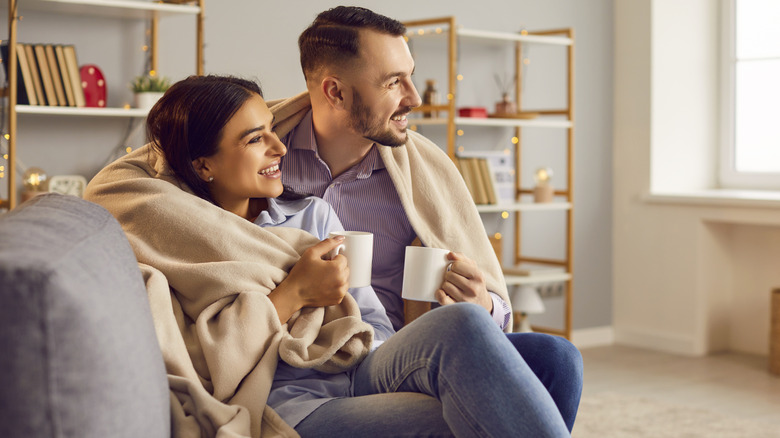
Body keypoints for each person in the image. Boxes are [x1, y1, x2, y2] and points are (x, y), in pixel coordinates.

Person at [86, 75, 571, 437]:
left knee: (553, 357)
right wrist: (293, 293)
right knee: (462, 413)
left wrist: (402, 369)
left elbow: (373, 321)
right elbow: (203, 367)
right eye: (254, 139)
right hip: (293, 403)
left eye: (271, 129)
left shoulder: (311, 215)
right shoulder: (172, 242)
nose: (278, 146)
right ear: (202, 164)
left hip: (359, 366)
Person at [270, 5, 583, 432]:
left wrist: (483, 303)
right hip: (298, 371)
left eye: (411, 76)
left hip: (385, 358)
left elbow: (489, 302)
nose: (414, 97)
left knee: (557, 359)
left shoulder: (424, 173)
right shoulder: (256, 160)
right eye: (393, 82)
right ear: (335, 92)